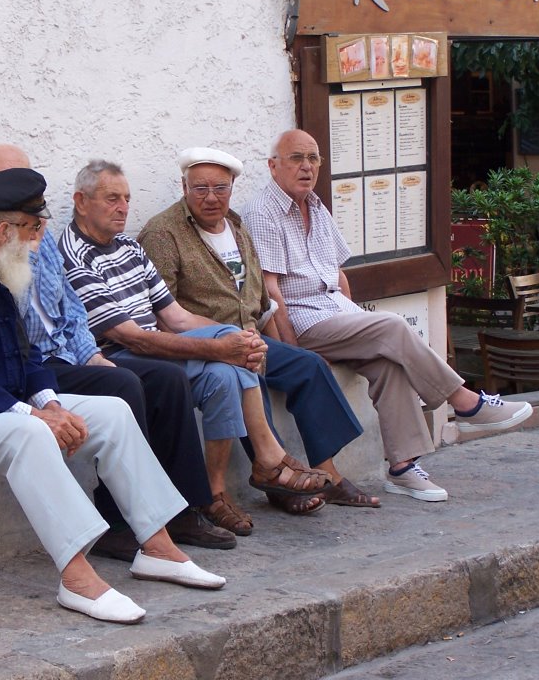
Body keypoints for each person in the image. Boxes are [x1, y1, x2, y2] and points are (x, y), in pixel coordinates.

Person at [0, 168, 225, 625]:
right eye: (34, 226)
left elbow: (22, 355)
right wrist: (34, 415)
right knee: (31, 436)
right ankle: (77, 576)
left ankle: (157, 546)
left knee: (114, 412)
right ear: (5, 229)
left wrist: (49, 401)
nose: (42, 235)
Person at [0, 144, 235, 560]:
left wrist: (91, 354)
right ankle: (118, 521)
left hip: (67, 358)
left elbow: (72, 310)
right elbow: (7, 332)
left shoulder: (41, 235)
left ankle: (183, 507)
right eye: (7, 185)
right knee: (124, 383)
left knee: (167, 379)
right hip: (28, 370)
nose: (20, 197)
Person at [241, 129, 533, 502]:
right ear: (273, 165)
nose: (306, 167)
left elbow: (338, 274)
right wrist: (296, 352)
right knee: (393, 325)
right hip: (303, 321)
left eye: (313, 158)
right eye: (296, 158)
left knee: (388, 362)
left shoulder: (314, 204)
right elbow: (271, 291)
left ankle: (402, 467)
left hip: (335, 315)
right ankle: (464, 401)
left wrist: (354, 316)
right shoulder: (263, 211)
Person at [59, 159, 333, 537]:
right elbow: (129, 337)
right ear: (80, 201)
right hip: (117, 355)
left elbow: (177, 318)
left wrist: (236, 339)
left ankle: (212, 493)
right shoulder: (74, 254)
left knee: (226, 372)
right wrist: (228, 343)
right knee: (231, 353)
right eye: (111, 199)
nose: (123, 207)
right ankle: (269, 458)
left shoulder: (127, 247)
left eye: (126, 198)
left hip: (153, 345)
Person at [138, 147, 380, 509]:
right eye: (200, 188)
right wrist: (222, 343)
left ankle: (327, 473)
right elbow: (162, 313)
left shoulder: (237, 227)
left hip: (250, 335)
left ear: (232, 188)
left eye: (220, 188)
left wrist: (286, 346)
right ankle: (277, 484)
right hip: (203, 344)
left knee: (307, 365)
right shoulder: (163, 233)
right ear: (183, 187)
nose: (210, 198)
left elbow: (261, 303)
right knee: (251, 370)